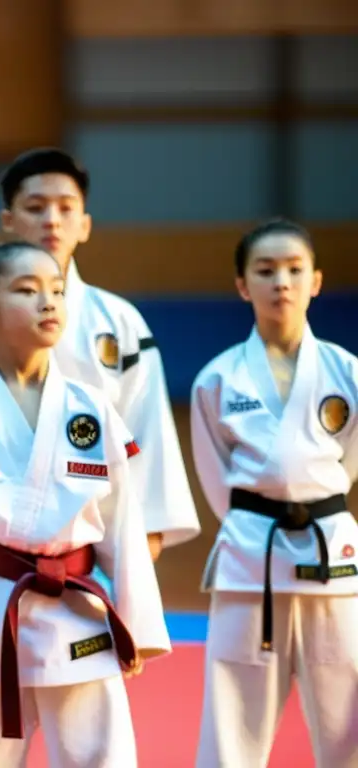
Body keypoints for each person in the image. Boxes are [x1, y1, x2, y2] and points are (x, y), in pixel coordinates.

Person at [0, 241, 171, 767]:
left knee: (99, 756)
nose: (49, 302)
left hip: (77, 611)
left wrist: (136, 622)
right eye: (27, 289)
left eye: (57, 290)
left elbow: (122, 523)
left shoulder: (92, 408)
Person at [190, 219, 358, 767]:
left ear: (315, 281)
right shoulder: (216, 379)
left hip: (329, 555)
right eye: (265, 271)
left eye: (293, 269)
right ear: (243, 285)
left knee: (347, 714)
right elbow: (215, 477)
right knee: (233, 714)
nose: (280, 281)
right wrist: (254, 522)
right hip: (249, 556)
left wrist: (310, 501)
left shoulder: (347, 372)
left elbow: (349, 463)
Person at [0, 148, 199, 559]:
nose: (52, 219)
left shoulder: (119, 323)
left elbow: (147, 431)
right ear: (8, 221)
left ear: (85, 225)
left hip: (97, 540)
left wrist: (146, 537)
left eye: (65, 208)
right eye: (35, 208)